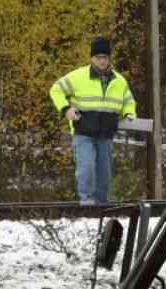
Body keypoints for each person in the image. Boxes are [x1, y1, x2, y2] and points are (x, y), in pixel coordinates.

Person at [50, 37, 136, 205]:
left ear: (109, 58)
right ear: (91, 58)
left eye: (105, 57)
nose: (102, 61)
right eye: (98, 57)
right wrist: (66, 109)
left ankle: (101, 206)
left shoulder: (119, 80)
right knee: (87, 167)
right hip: (83, 132)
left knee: (104, 174)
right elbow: (56, 89)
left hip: (105, 134)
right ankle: (87, 203)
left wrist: (129, 114)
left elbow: (129, 101)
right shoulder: (78, 76)